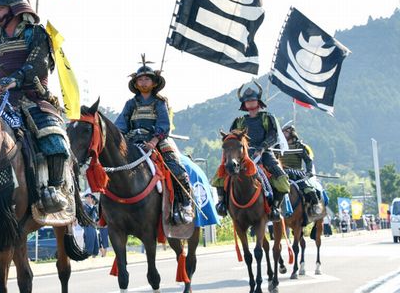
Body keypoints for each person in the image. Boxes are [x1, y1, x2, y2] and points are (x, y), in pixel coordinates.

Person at [0, 0, 70, 212]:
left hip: (32, 97)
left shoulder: (37, 33)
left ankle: (55, 189)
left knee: (54, 138)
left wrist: (16, 78)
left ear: (14, 8)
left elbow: (38, 64)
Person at [115, 60, 194, 225]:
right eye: (140, 79)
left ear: (154, 82)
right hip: (133, 140)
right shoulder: (130, 103)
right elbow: (121, 124)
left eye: (147, 79)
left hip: (157, 140)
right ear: (135, 83)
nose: (143, 82)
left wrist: (154, 140)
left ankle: (185, 204)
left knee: (176, 167)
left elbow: (164, 124)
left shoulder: (160, 102)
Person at [212, 82, 290, 215]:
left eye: (252, 100)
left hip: (264, 153)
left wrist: (262, 147)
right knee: (220, 175)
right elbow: (232, 138)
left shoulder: (267, 117)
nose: (250, 103)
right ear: (244, 104)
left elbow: (273, 135)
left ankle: (275, 207)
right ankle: (222, 203)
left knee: (281, 178)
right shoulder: (239, 121)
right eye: (247, 101)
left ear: (258, 101)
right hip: (243, 154)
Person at [281, 123, 324, 211]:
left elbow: (308, 161)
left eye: (286, 132)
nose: (284, 134)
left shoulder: (300, 147)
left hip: (296, 174)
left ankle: (315, 207)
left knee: (309, 190)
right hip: (281, 174)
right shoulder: (279, 146)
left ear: (291, 133)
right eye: (283, 132)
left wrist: (309, 171)